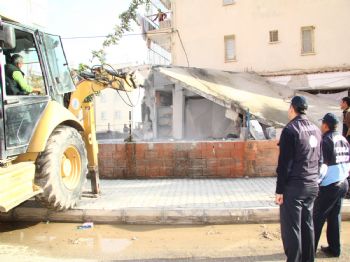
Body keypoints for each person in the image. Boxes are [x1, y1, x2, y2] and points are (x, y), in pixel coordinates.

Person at [275, 96, 322, 262]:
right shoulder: (316, 130)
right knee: (307, 224)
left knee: (292, 229)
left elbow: (284, 165)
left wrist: (279, 190)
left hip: (295, 187)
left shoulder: (290, 130)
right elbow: (320, 160)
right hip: (312, 185)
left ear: (292, 108)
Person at [313, 113, 349, 257]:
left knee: (317, 218)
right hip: (343, 183)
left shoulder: (326, 140)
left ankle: (309, 250)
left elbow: (323, 166)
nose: (321, 126)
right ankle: (335, 249)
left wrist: (316, 183)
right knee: (334, 217)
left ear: (326, 125)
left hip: (330, 186)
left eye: (322, 123)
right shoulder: (343, 139)